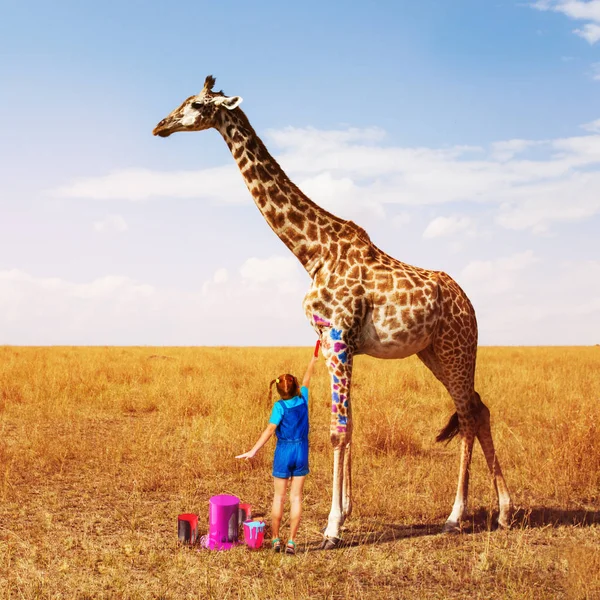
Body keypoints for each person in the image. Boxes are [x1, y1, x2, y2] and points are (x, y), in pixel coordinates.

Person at [236, 352, 318, 555]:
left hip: (283, 451)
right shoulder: (303, 399)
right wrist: (313, 360)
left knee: (279, 497)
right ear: (296, 387)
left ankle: (275, 539)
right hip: (301, 450)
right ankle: (291, 542)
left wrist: (253, 450)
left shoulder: (279, 406)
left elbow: (270, 430)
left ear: (279, 390)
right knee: (296, 498)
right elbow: (307, 379)